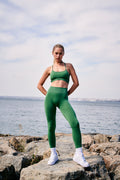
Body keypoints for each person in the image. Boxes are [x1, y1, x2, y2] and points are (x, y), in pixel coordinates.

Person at [37, 44, 89, 167]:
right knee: (51, 126)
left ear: (63, 54)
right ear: (52, 53)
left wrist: (66, 94)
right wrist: (48, 95)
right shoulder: (49, 69)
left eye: (60, 53)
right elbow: (39, 85)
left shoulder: (69, 66)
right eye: (56, 53)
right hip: (50, 99)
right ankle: (53, 154)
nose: (58, 55)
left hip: (63, 99)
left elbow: (76, 83)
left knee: (75, 123)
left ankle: (78, 154)